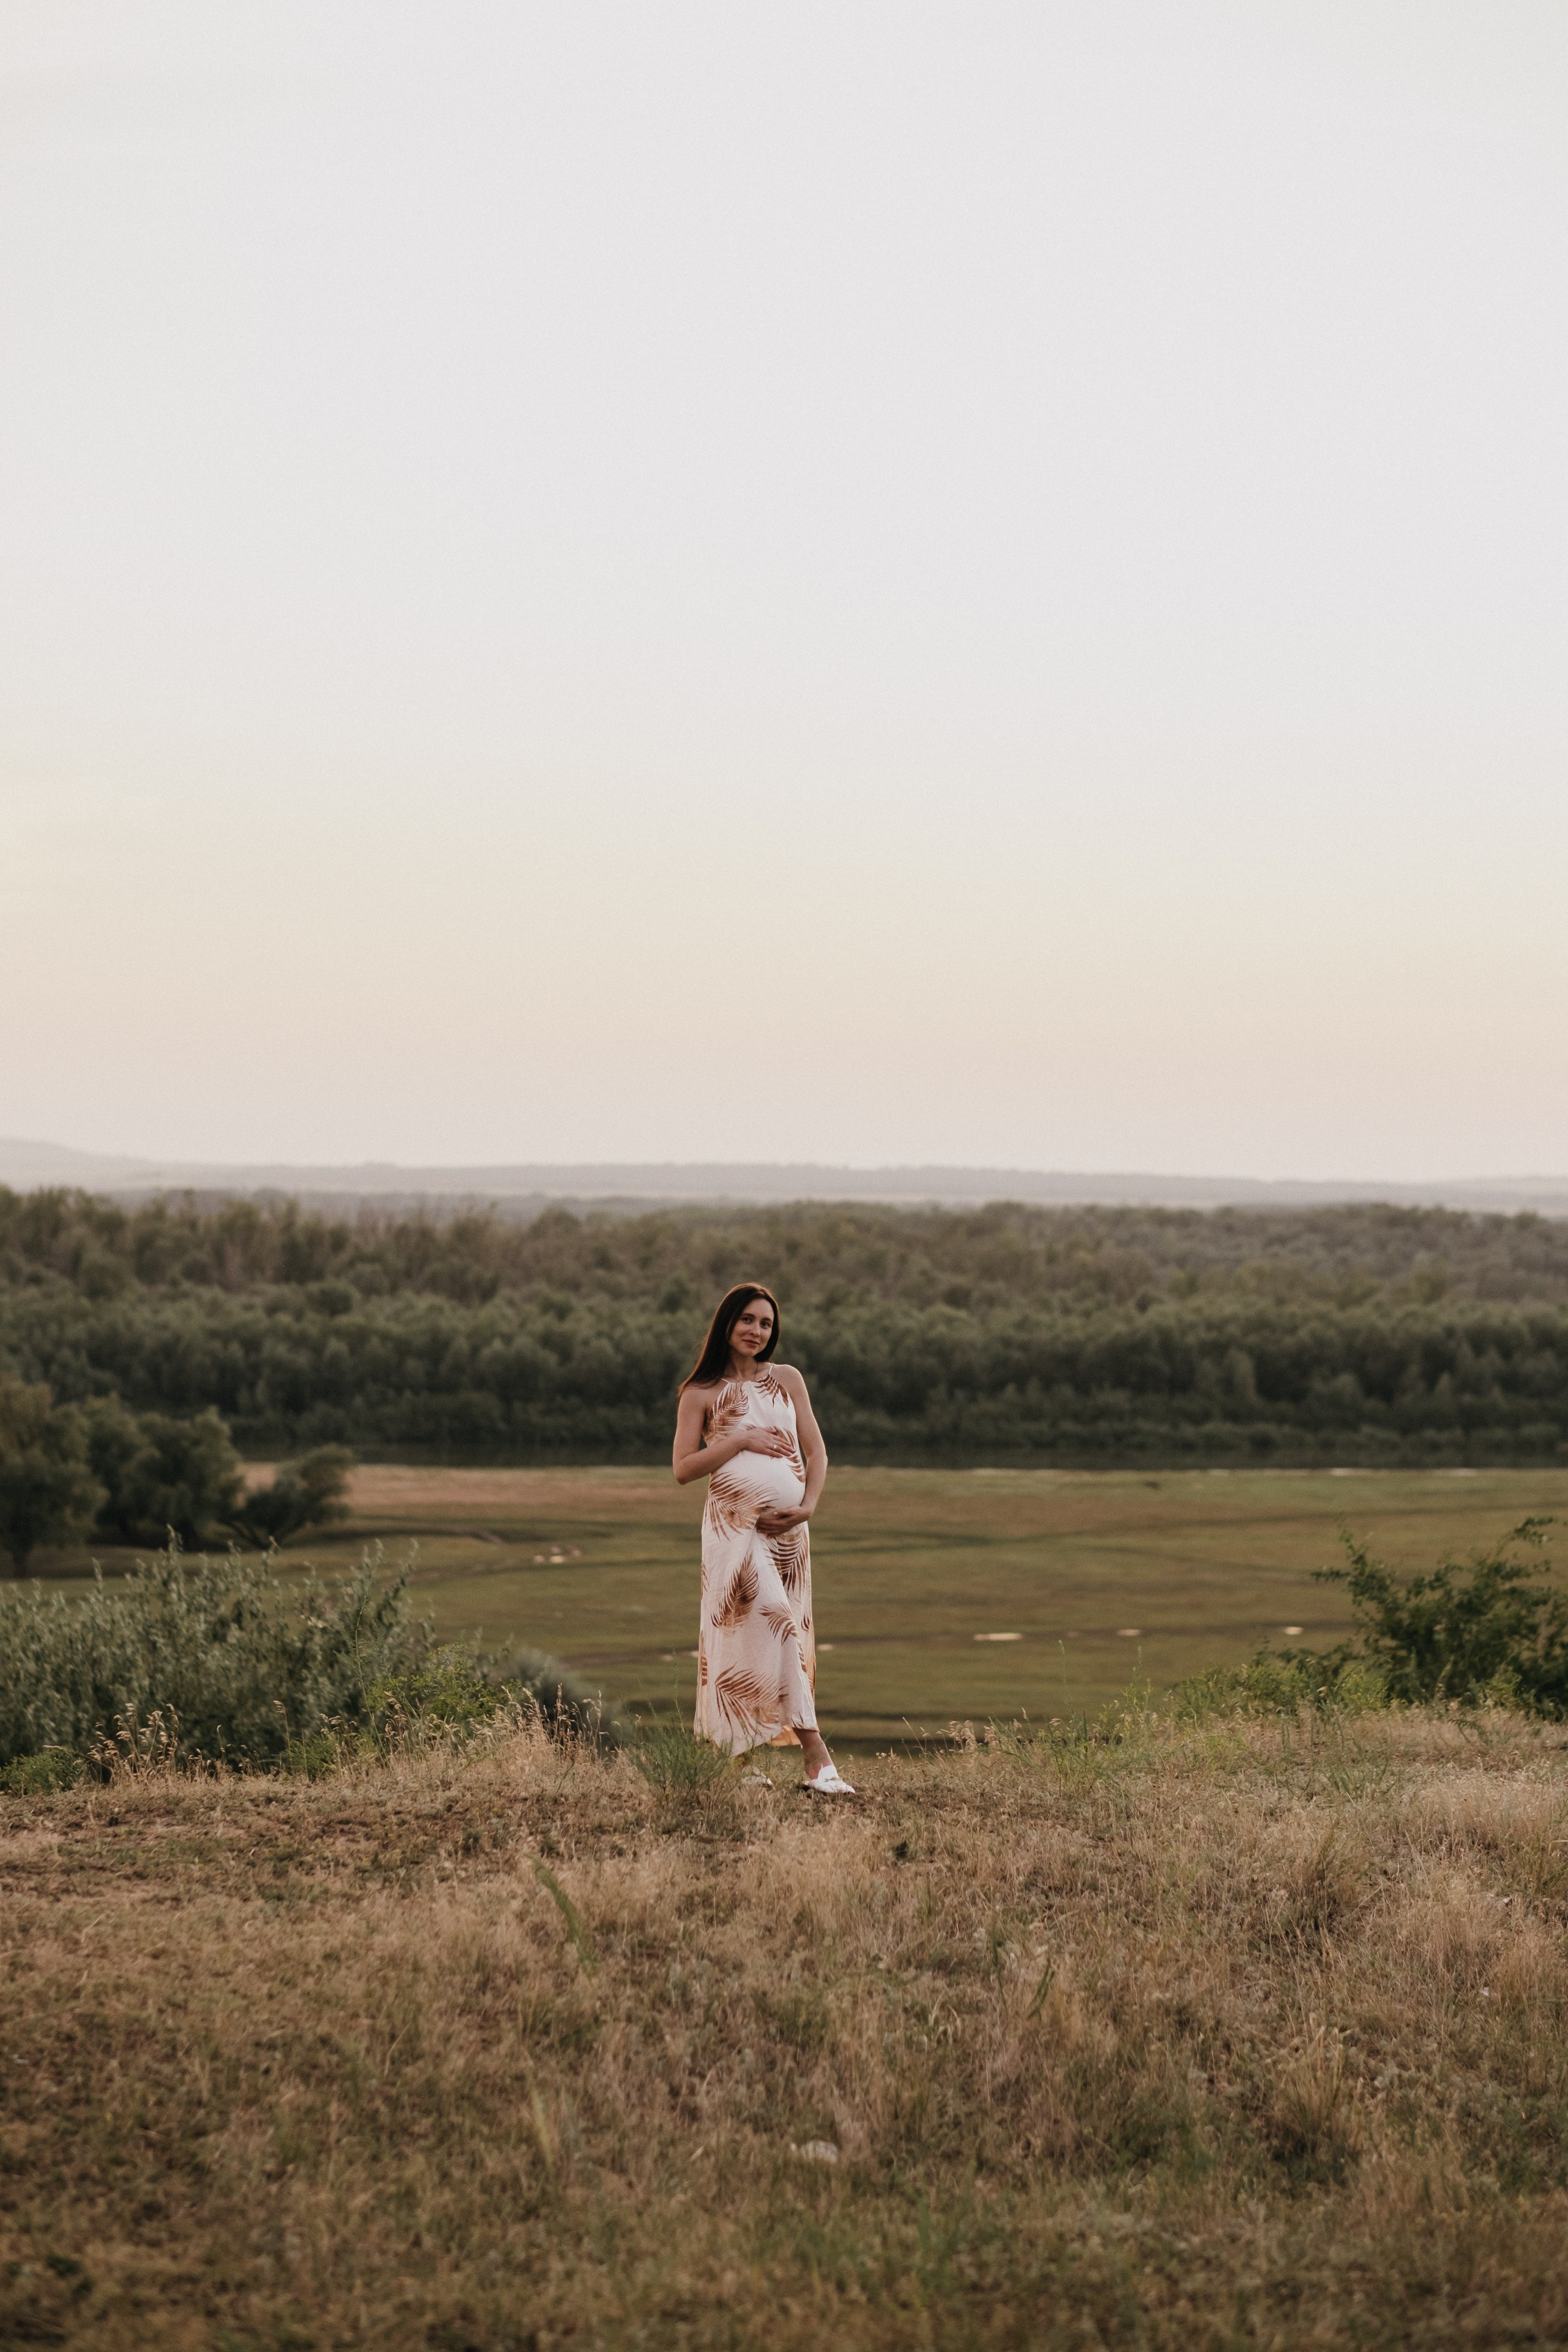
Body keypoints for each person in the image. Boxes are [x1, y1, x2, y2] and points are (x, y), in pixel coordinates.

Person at [672, 1282, 855, 1794]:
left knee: (761, 1634)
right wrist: (739, 1440)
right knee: (773, 1624)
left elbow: (816, 1454)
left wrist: (807, 1508)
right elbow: (683, 1469)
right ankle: (816, 1755)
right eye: (748, 1320)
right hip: (733, 1530)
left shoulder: (787, 1380)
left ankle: (738, 1763)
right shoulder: (700, 1392)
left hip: (789, 1536)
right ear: (727, 1324)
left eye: (766, 1324)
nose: (757, 1331)